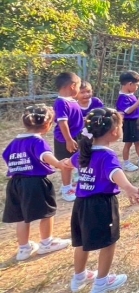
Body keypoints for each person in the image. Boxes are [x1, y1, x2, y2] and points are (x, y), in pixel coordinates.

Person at [70, 108, 139, 293]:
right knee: (108, 242)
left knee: (81, 242)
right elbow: (115, 173)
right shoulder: (107, 155)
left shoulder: (84, 151)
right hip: (101, 205)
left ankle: (78, 278)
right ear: (114, 131)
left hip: (81, 204)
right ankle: (101, 283)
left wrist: (61, 164)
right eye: (120, 126)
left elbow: (70, 162)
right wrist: (129, 188)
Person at [3, 105, 72, 261]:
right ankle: (47, 243)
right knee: (47, 213)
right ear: (47, 124)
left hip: (15, 183)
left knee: (21, 217)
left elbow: (6, 156)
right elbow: (45, 155)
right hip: (35, 182)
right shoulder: (37, 141)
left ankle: (23, 249)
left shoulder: (14, 142)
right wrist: (59, 164)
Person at [53, 71, 83, 202]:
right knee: (66, 164)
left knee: (76, 160)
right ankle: (66, 189)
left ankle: (73, 184)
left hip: (76, 136)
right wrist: (68, 140)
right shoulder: (61, 103)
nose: (79, 90)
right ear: (72, 86)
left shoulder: (72, 101)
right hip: (66, 138)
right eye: (79, 87)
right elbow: (62, 122)